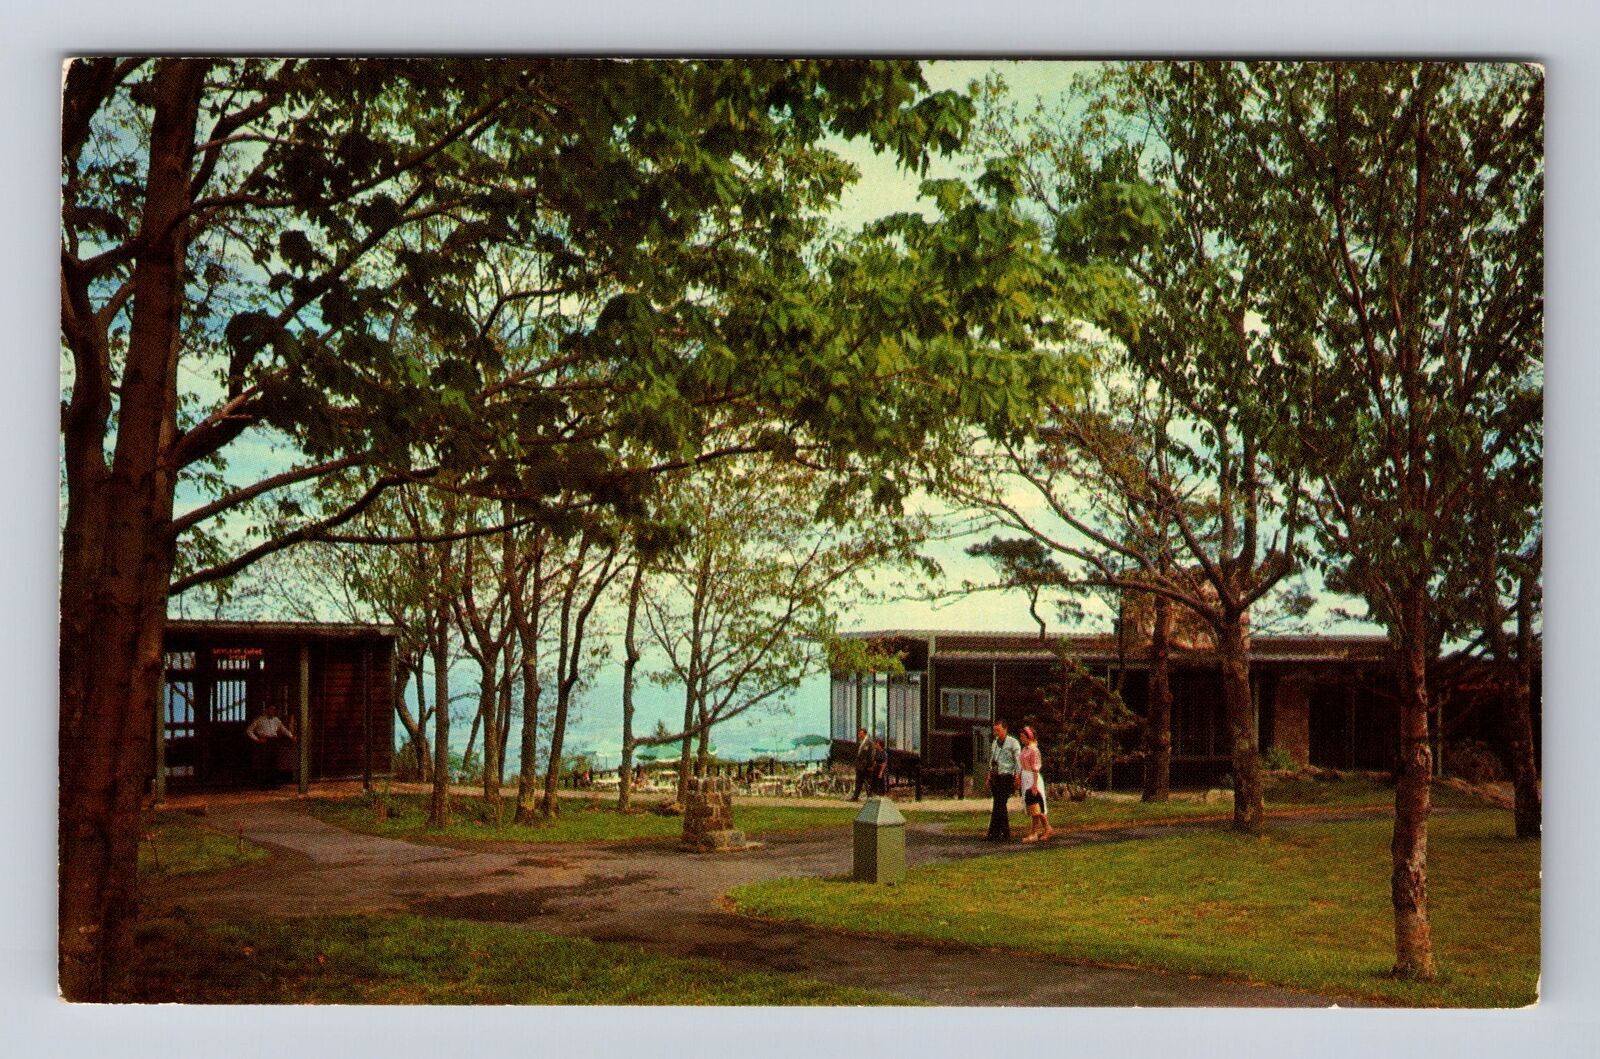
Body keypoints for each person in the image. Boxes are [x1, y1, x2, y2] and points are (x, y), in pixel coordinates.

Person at [1018, 725, 1055, 842]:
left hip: (1032, 778)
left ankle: (1034, 833)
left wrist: (1034, 785)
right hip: (1025, 776)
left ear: (1029, 737)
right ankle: (1047, 828)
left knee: (1035, 805)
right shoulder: (1025, 749)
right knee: (1033, 806)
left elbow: (1035, 768)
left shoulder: (1034, 750)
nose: (1021, 739)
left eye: (1023, 737)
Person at [246, 701, 296, 788]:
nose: (273, 711)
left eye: (274, 710)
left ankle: (273, 783)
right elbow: (249, 731)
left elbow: (283, 729)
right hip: (264, 741)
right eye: (271, 709)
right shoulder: (259, 719)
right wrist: (257, 740)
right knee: (264, 763)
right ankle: (263, 783)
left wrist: (291, 736)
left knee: (274, 762)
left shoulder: (276, 720)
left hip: (273, 741)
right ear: (267, 710)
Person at [986, 719, 1021, 840]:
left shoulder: (1013, 743)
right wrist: (989, 774)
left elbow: (1018, 760)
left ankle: (1004, 832)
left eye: (998, 730)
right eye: (995, 730)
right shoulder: (995, 743)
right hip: (997, 775)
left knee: (1001, 803)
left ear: (1005, 729)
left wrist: (1017, 775)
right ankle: (995, 832)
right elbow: (992, 759)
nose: (996, 732)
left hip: (1007, 776)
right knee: (997, 804)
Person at [851, 727, 874, 800]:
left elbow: (870, 755)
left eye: (860, 733)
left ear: (864, 734)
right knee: (858, 781)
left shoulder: (869, 742)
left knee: (866, 781)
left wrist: (870, 765)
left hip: (865, 765)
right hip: (860, 765)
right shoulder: (861, 742)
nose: (859, 735)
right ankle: (855, 796)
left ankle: (869, 796)